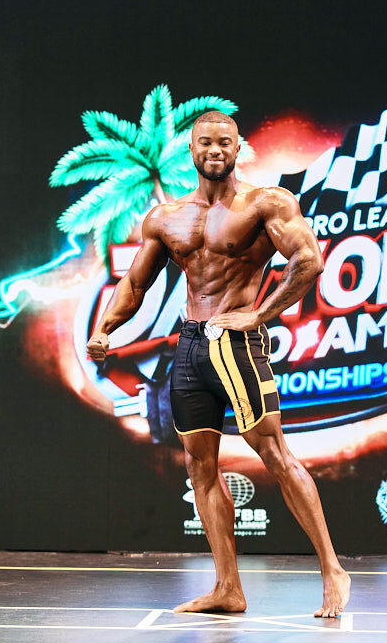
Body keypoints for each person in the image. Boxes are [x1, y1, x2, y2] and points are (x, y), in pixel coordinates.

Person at [86, 111, 351, 617]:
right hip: (190, 347)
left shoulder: (267, 203)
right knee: (199, 466)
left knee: (273, 453)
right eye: (205, 142)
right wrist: (105, 329)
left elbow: (309, 260)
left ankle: (332, 571)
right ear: (192, 149)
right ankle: (228, 588)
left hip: (237, 345)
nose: (215, 150)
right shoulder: (166, 218)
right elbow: (135, 284)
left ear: (238, 148)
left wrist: (260, 314)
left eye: (224, 142)